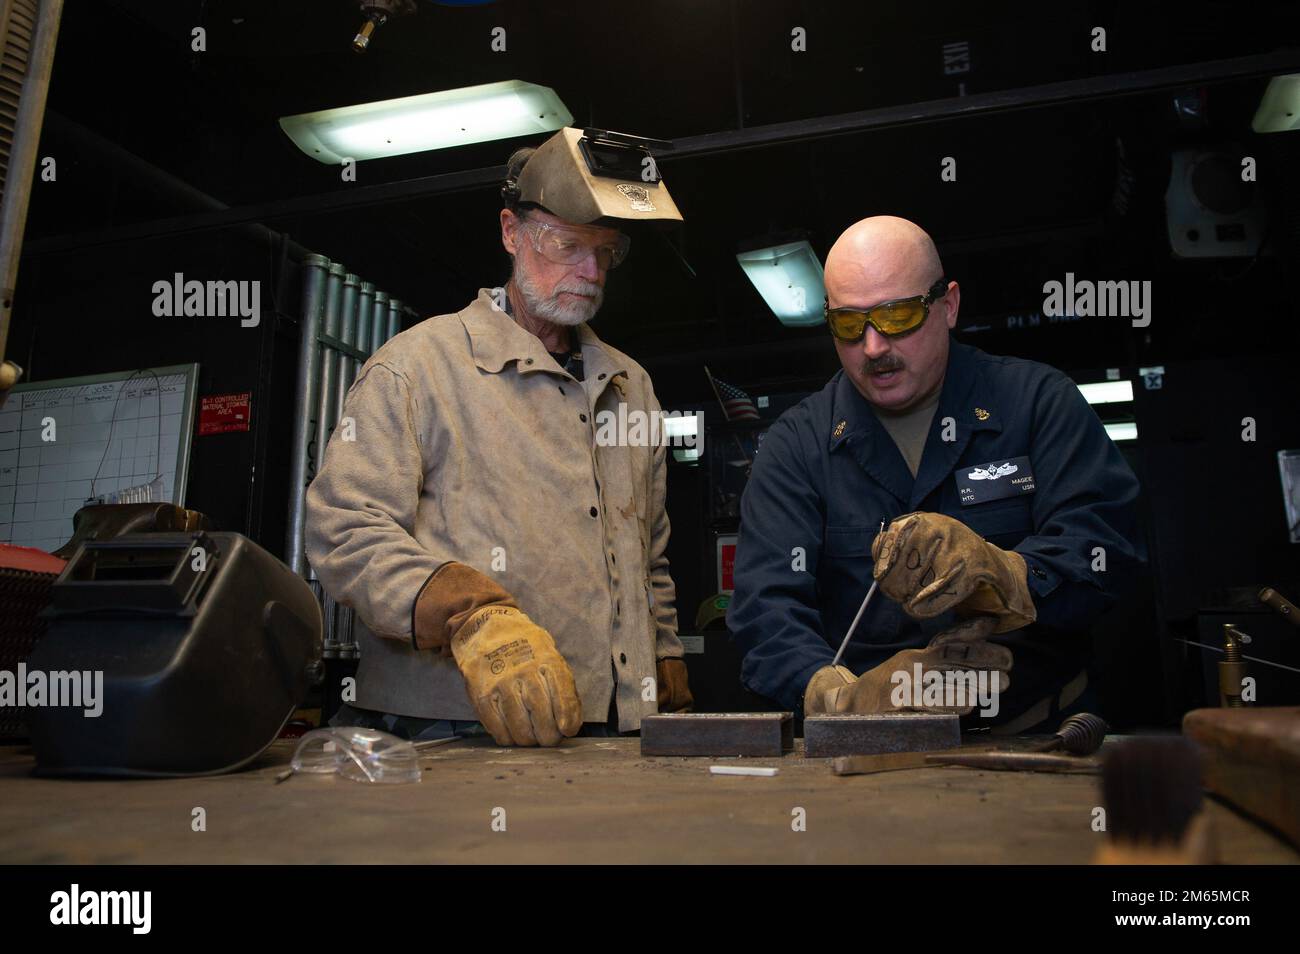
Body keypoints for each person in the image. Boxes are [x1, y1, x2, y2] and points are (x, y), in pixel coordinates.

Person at [306, 127, 692, 746]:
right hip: (452, 727)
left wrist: (663, 652)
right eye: (567, 245)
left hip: (613, 728)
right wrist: (466, 612)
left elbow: (649, 551)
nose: (590, 272)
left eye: (606, 251)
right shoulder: (418, 367)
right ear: (512, 232)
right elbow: (343, 530)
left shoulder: (631, 385)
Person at [728, 215, 1143, 731]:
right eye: (850, 325)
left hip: (1035, 738)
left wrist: (1006, 575)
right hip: (867, 754)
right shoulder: (795, 448)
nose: (874, 347)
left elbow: (1106, 549)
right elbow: (765, 607)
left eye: (897, 315)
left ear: (947, 306)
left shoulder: (1037, 404)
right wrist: (838, 701)